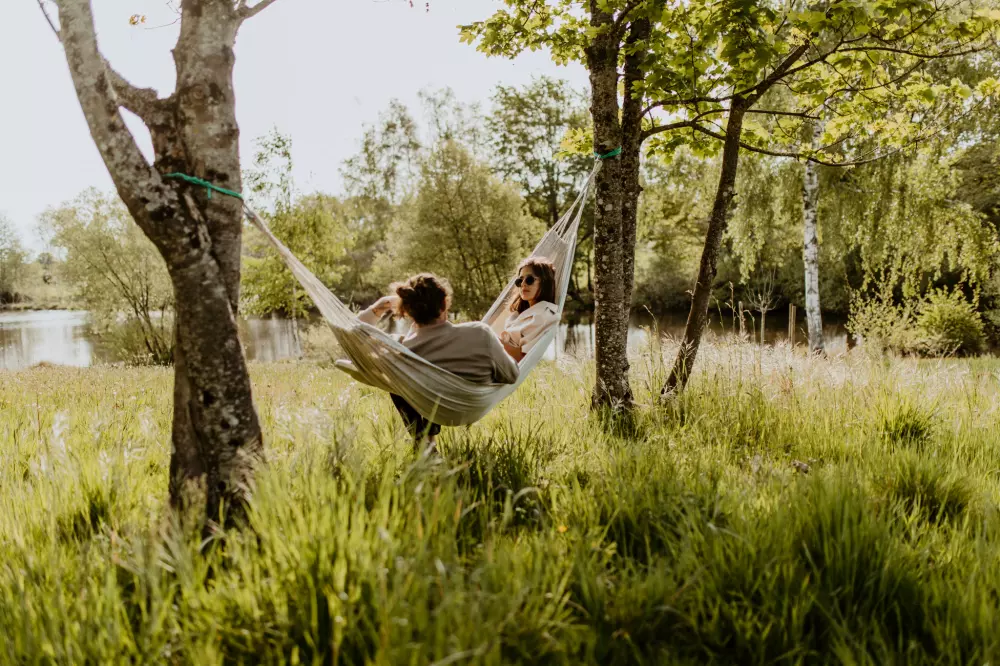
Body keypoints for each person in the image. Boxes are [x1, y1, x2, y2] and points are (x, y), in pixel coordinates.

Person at [358, 273, 519, 450]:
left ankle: (423, 443)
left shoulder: (402, 349)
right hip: (474, 405)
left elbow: (354, 331)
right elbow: (511, 375)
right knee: (407, 376)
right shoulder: (480, 333)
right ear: (445, 303)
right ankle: (427, 443)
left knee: (398, 379)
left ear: (407, 311)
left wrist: (378, 308)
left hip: (432, 407)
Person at [500, 258, 560, 363]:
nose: (523, 284)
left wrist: (492, 341)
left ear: (544, 283)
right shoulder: (519, 314)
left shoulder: (544, 315)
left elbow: (522, 358)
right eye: (520, 280)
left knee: (479, 331)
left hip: (502, 365)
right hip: (493, 358)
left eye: (529, 280)